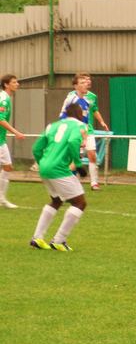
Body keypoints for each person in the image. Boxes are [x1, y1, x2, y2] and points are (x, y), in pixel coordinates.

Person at [29, 102, 89, 251]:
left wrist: (41, 162)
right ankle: (59, 240)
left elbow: (36, 148)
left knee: (56, 200)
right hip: (59, 169)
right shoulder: (80, 125)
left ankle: (37, 238)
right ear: (79, 114)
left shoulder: (52, 125)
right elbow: (73, 141)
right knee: (80, 203)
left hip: (45, 168)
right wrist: (78, 164)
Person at [59, 73, 108, 191]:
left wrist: (84, 136)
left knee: (83, 158)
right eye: (83, 82)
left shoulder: (87, 100)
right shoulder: (71, 99)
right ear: (76, 86)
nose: (86, 83)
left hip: (84, 133)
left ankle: (88, 183)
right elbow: (62, 116)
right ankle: (64, 186)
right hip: (73, 133)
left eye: (87, 81)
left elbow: (85, 120)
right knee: (74, 160)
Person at [0, 74, 25, 209]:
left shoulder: (6, 98)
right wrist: (16, 132)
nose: (17, 84)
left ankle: (1, 198)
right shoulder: (4, 98)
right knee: (7, 167)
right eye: (14, 82)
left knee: (8, 167)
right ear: (6, 85)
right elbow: (0, 118)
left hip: (1, 139)